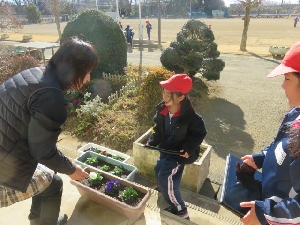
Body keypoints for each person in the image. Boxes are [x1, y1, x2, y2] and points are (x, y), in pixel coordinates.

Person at [0, 37, 98, 225]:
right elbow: (43, 152)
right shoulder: (51, 97)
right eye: (87, 72)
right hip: (3, 170)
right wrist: (71, 169)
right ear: (74, 70)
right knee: (54, 184)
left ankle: (39, 220)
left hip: (7, 148)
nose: (88, 78)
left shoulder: (34, 73)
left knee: (46, 175)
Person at [237, 41, 300, 225]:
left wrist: (266, 214)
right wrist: (261, 158)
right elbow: (280, 146)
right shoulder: (295, 113)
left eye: (287, 79)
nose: (282, 86)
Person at [146, 74, 207, 220]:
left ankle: (180, 209)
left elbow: (199, 133)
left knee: (166, 177)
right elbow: (157, 128)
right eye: (164, 92)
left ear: (181, 97)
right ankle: (164, 189)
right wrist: (152, 141)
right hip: (166, 149)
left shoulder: (191, 118)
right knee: (158, 169)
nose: (164, 97)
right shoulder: (162, 110)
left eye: (169, 94)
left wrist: (189, 147)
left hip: (178, 154)